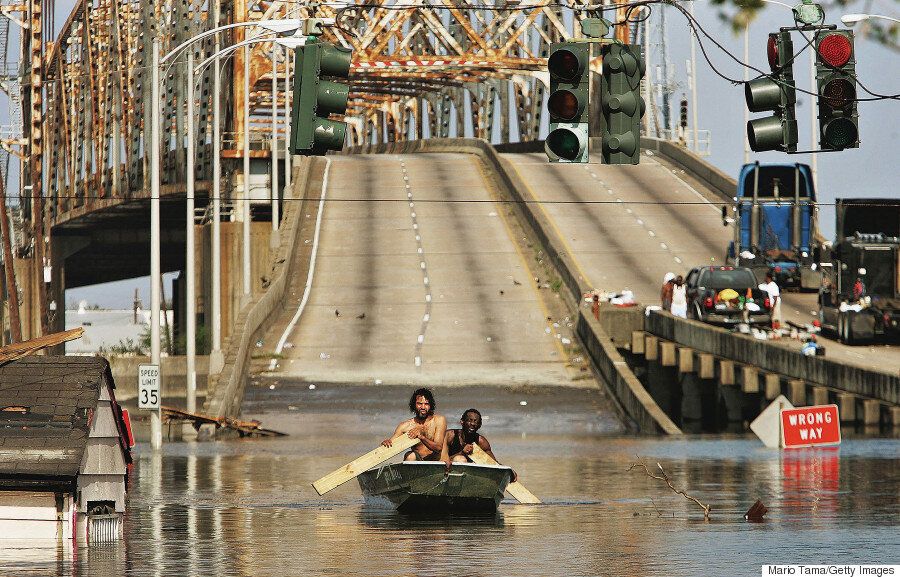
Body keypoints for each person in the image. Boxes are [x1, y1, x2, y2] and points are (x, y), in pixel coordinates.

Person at [444, 409, 517, 482]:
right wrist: (462, 453)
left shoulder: (481, 442)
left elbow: (493, 463)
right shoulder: (450, 436)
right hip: (448, 472)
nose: (473, 423)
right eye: (470, 420)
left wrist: (508, 470)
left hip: (469, 477)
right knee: (460, 459)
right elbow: (441, 460)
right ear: (462, 422)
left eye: (476, 421)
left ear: (480, 425)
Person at [382, 388, 448, 462]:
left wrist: (421, 437)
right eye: (419, 404)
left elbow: (438, 448)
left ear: (430, 405)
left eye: (426, 404)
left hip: (436, 464)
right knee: (410, 455)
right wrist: (386, 443)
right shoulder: (405, 426)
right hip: (419, 464)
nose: (423, 407)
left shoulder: (439, 420)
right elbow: (391, 445)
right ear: (414, 404)